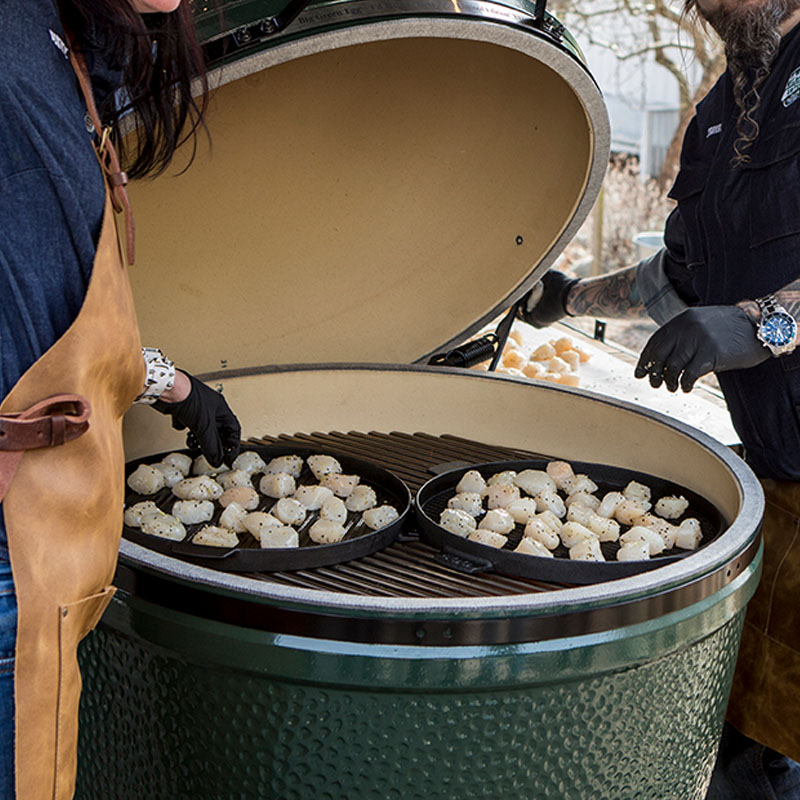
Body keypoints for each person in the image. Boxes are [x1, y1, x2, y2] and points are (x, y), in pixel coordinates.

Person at [521, 0, 800, 796]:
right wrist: (567, 299)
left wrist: (765, 323)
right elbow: (674, 276)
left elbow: (751, 314)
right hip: (779, 487)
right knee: (748, 750)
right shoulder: (719, 109)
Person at [0, 0, 240, 797]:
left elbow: (54, 310)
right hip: (13, 550)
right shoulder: (11, 62)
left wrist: (167, 381)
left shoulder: (58, 46)